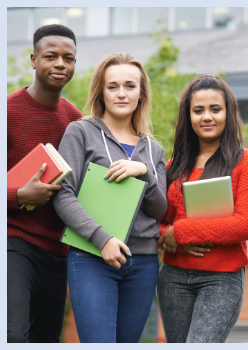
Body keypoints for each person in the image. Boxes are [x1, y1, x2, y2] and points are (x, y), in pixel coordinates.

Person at [53, 52, 167, 343]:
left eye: (130, 86)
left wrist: (143, 171)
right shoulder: (80, 132)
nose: (121, 93)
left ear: (141, 93)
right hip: (91, 257)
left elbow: (159, 210)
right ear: (101, 92)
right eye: (112, 86)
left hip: (142, 263)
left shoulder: (153, 150)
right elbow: (63, 196)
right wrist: (102, 239)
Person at [156, 74, 248, 343]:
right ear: (188, 116)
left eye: (215, 109)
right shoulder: (172, 166)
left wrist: (181, 232)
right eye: (198, 110)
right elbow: (156, 223)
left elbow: (244, 225)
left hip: (221, 279)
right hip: (173, 278)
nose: (207, 117)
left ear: (228, 112)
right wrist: (171, 239)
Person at [7, 24, 82, 343]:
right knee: (12, 334)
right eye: (51, 56)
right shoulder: (7, 112)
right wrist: (19, 194)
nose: (60, 64)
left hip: (60, 252)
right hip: (14, 243)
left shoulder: (75, 120)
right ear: (33, 60)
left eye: (69, 58)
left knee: (47, 340)